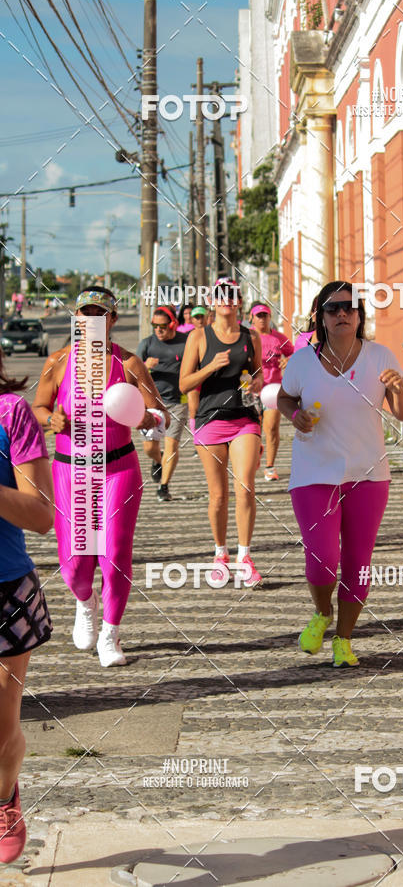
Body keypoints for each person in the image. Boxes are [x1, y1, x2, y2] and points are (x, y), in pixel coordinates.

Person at [278, 281, 403, 668]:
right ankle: (322, 613)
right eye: (333, 308)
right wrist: (294, 415)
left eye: (349, 308)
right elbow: (286, 397)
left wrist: (400, 390)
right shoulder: (303, 361)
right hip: (313, 473)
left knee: (358, 561)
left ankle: (344, 639)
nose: (342, 314)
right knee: (322, 556)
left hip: (368, 474)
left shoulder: (379, 357)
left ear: (359, 315)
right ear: (320, 318)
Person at [33, 287, 169, 667]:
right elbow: (39, 406)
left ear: (112, 320)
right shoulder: (58, 362)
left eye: (99, 314)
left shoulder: (128, 364)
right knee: (76, 561)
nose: (91, 320)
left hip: (118, 468)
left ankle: (111, 631)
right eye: (84, 314)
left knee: (114, 552)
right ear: (76, 320)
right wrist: (51, 420)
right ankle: (85, 601)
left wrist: (146, 420)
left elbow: (162, 419)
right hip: (70, 470)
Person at [0, 353, 53, 863]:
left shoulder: (10, 413)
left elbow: (41, 515)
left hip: (4, 590)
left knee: (0, 728)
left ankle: (4, 794)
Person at [180, 278, 264, 587]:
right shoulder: (199, 337)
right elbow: (184, 384)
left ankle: (245, 557)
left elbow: (258, 375)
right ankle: (220, 554)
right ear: (214, 302)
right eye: (220, 295)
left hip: (244, 418)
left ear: (239, 301)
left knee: (245, 488)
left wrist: (256, 384)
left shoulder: (251, 336)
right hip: (210, 419)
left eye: (232, 295)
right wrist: (210, 366)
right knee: (218, 496)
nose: (226, 300)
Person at [137, 305, 188, 502]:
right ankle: (157, 461)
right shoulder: (147, 344)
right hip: (151, 403)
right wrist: (144, 367)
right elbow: (131, 374)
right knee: (150, 448)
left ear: (173, 324)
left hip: (177, 401)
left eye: (163, 326)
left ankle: (163, 486)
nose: (159, 330)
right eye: (155, 326)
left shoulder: (185, 343)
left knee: (171, 446)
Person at [250, 303, 293, 481]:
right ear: (251, 318)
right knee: (252, 430)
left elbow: (295, 353)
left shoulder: (278, 338)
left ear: (270, 317)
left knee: (272, 428)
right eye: (258, 315)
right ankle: (254, 452)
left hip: (273, 388)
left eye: (265, 315)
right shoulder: (247, 336)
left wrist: (288, 360)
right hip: (251, 390)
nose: (262, 319)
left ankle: (269, 466)